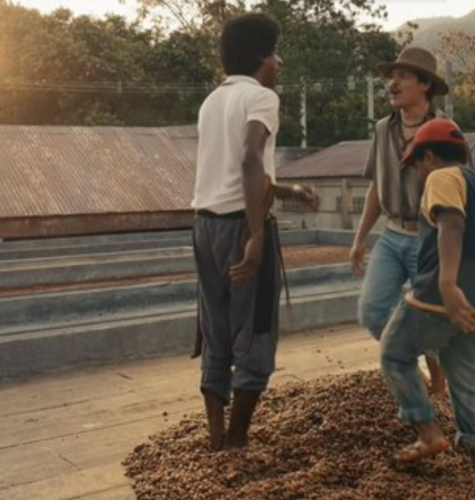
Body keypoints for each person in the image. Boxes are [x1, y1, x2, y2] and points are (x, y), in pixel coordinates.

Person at [191, 12, 318, 451]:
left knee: (215, 328)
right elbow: (249, 160)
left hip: (205, 227)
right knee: (256, 331)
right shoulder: (261, 98)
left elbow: (235, 171)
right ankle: (238, 441)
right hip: (241, 226)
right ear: (262, 56)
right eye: (276, 53)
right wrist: (256, 235)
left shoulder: (212, 101)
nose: (280, 62)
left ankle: (216, 436)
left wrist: (289, 188)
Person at [378, 118, 475, 467]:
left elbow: (452, 223)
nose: (418, 174)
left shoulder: (441, 177)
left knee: (394, 353)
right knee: (468, 376)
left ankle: (427, 432)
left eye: (416, 166)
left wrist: (448, 285)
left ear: (429, 157)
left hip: (441, 298)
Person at [350, 47, 454, 394]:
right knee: (372, 311)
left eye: (403, 76)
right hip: (391, 237)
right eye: (391, 77)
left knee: (431, 316)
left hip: (429, 239)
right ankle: (413, 370)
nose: (392, 83)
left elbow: (457, 196)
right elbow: (377, 187)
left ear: (425, 84)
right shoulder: (382, 129)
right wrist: (360, 238)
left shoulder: (445, 131)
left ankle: (438, 373)